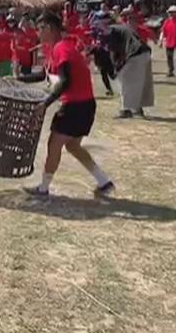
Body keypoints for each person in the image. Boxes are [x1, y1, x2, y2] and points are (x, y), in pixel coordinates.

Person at [18, 12, 115, 198]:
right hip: (85, 105)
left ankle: (43, 188)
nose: (37, 33)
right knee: (72, 146)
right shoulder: (57, 48)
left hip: (75, 106)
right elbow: (42, 76)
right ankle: (104, 182)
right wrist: (15, 79)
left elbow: (65, 81)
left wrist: (45, 104)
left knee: (54, 144)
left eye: (40, 29)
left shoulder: (61, 48)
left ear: (49, 28)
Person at [102, 21, 154, 118]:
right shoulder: (123, 28)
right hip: (145, 52)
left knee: (125, 81)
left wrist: (115, 69)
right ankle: (137, 108)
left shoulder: (112, 30)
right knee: (139, 83)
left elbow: (113, 51)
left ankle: (125, 109)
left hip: (136, 54)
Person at [159, 6, 176, 77]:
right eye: (170, 12)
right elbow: (163, 31)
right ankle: (170, 71)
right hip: (169, 42)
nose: (171, 14)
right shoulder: (167, 21)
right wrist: (161, 40)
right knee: (169, 57)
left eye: (173, 12)